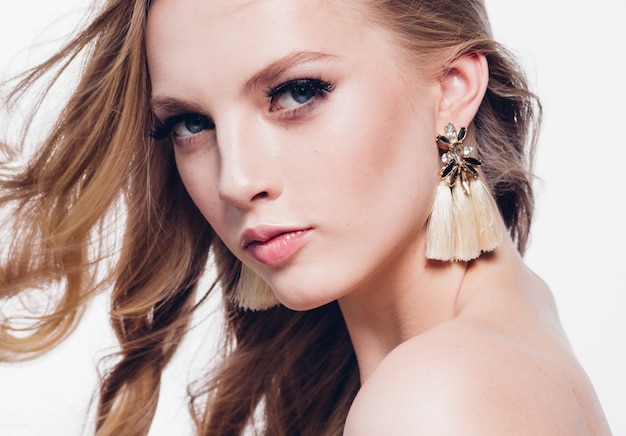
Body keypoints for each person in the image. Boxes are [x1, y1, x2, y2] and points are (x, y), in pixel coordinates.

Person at [0, 0, 612, 434]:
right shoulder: (517, 323)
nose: (237, 181)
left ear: (451, 87)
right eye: (192, 124)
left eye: (296, 92)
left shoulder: (433, 396)